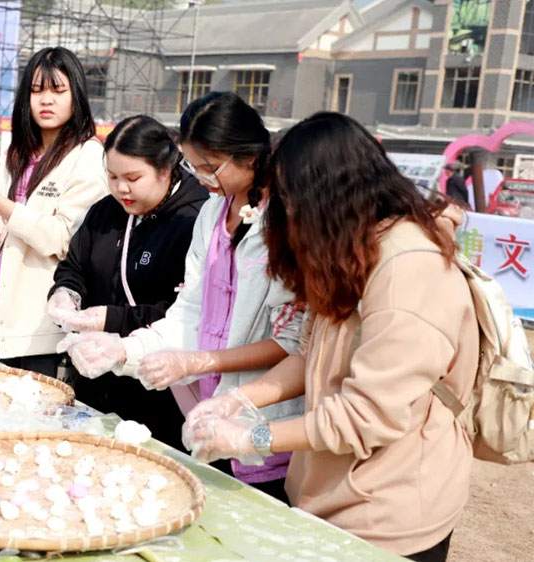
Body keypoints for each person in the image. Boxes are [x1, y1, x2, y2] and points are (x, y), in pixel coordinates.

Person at [182, 112, 478, 561]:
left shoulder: (408, 270)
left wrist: (251, 438)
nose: (284, 214)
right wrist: (239, 402)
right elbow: (310, 354)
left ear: (329, 195)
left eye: (289, 200)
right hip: (328, 494)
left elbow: (367, 415)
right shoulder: (351, 249)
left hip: (389, 515)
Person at [58, 92, 303, 503]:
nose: (203, 177)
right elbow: (189, 312)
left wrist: (199, 361)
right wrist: (126, 350)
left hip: (265, 416)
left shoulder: (283, 220)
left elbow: (291, 343)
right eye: (195, 164)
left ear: (248, 155)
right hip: (209, 407)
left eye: (211, 166)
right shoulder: (211, 214)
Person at [0, 47, 108, 376]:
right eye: (36, 91)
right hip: (0, 314)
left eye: (58, 90)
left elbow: (61, 238)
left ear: (77, 96)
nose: (46, 100)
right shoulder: (18, 153)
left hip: (44, 323)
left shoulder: (87, 156)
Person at [46, 115, 205, 448]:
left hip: (158, 389)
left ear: (166, 169)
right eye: (113, 176)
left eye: (133, 178)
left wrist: (108, 319)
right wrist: (66, 292)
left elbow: (183, 314)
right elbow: (74, 264)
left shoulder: (194, 221)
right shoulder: (105, 212)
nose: (121, 188)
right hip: (94, 378)